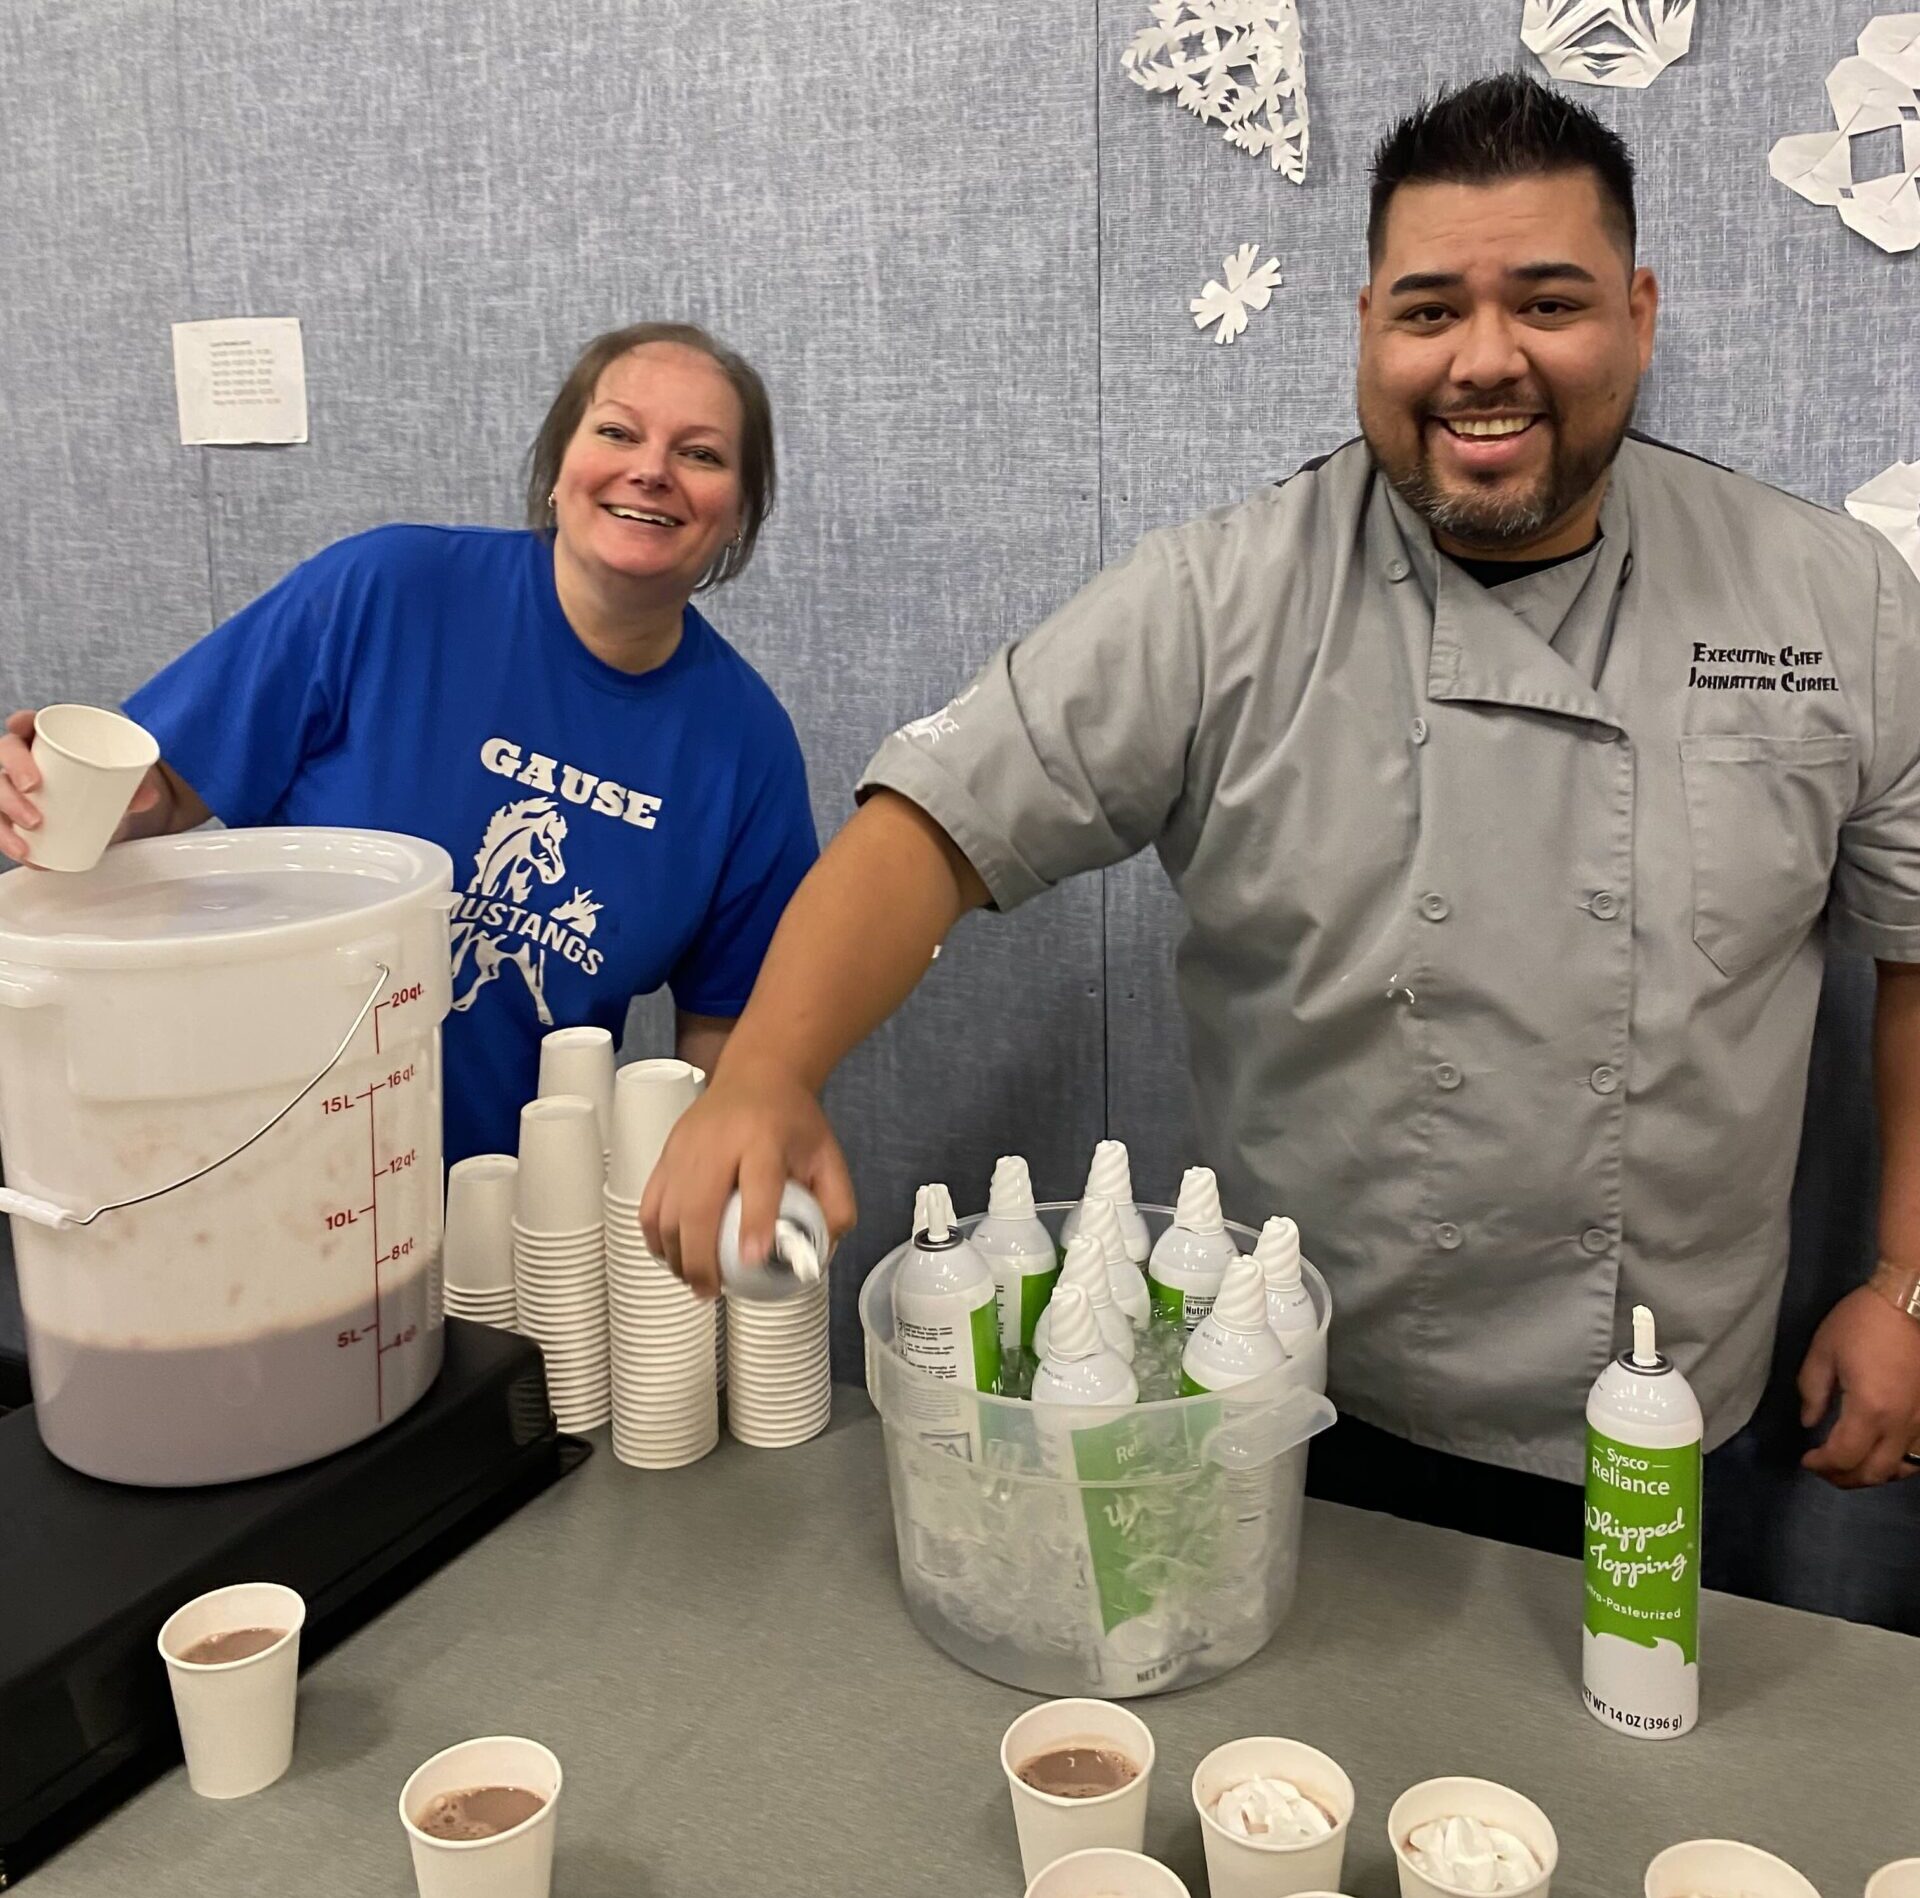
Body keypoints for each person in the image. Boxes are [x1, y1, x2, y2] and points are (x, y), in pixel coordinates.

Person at [641, 75, 1920, 1538]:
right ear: (1368, 325)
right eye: (1430, 309)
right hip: (1304, 1386)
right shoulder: (1224, 597)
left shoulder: (1831, 596)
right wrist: (766, 1073)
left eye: (1548, 303)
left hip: (1672, 1392)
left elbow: (1916, 946)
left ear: (1637, 314)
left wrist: (1905, 1283)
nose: (1484, 359)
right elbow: (932, 825)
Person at [0, 323, 818, 1165]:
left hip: (519, 1211)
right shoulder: (386, 591)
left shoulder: (746, 747)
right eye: (616, 431)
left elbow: (731, 1036)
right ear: (556, 469)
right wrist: (56, 802)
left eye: (701, 454)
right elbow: (164, 789)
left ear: (739, 515)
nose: (650, 470)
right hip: (260, 1163)